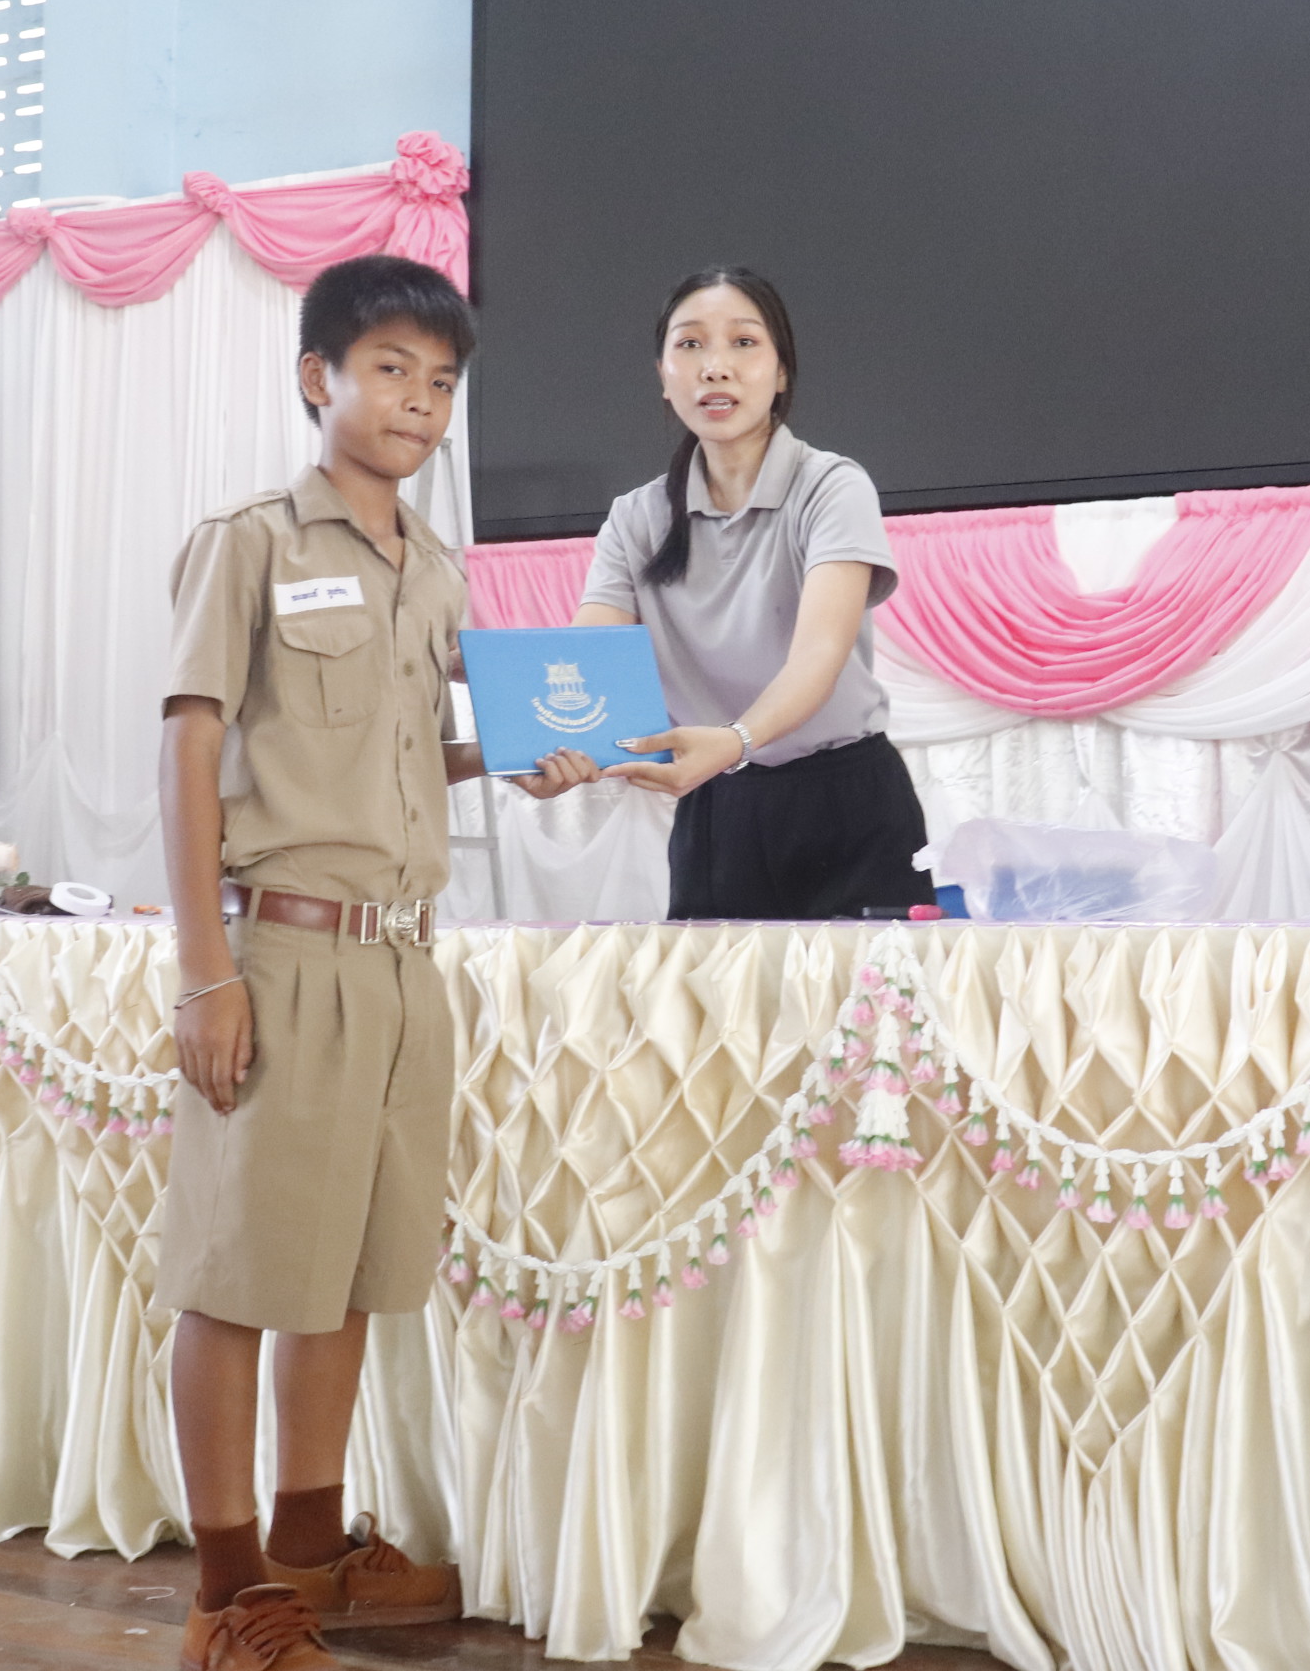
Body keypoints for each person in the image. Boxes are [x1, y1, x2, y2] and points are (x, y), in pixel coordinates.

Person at [156, 254, 565, 1670]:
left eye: (441, 382)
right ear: (316, 377)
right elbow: (191, 747)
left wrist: (516, 754)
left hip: (402, 966)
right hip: (282, 952)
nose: (418, 402)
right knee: (237, 1272)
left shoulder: (436, 571)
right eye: (390, 369)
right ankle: (226, 1597)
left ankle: (312, 1552)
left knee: (338, 1274)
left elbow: (402, 756)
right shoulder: (252, 544)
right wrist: (206, 971)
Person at [539, 267, 934, 919]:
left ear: (781, 373)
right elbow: (592, 658)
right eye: (690, 344)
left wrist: (737, 739)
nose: (715, 367)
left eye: (744, 343)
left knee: (871, 989)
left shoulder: (832, 486)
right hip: (717, 804)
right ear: (664, 376)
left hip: (849, 802)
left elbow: (818, 656)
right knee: (715, 990)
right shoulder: (635, 518)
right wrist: (512, 701)